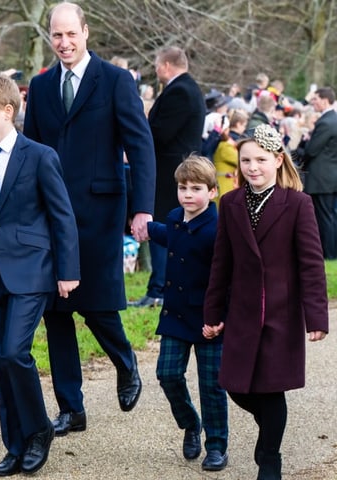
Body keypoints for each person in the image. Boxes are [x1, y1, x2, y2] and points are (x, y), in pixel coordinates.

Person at [23, 2, 154, 436]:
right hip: (50, 214)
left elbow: (140, 146)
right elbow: (32, 151)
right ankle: (71, 408)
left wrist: (142, 207)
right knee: (56, 313)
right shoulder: (40, 88)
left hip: (99, 211)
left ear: (85, 32)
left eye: (70, 34)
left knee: (97, 304)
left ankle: (125, 361)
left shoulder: (116, 81)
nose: (63, 43)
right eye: (56, 36)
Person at [0, 72, 80, 476]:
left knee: (13, 352)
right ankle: (15, 444)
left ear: (7, 111)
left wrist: (67, 270)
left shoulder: (40, 156)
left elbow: (62, 217)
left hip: (33, 270)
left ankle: (39, 429)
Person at [203, 124, 329, 480]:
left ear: (277, 160)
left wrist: (316, 316)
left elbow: (310, 262)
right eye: (246, 161)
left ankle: (269, 457)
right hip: (242, 310)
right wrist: (212, 312)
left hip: (281, 313)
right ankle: (269, 433)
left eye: (260, 160)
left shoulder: (297, 204)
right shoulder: (229, 203)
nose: (253, 167)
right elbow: (221, 261)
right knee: (233, 384)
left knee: (272, 389)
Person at [149, 156, 228, 472]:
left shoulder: (219, 228)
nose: (188, 195)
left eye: (196, 188)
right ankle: (190, 423)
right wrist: (143, 225)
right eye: (183, 188)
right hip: (176, 314)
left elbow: (228, 276)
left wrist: (220, 318)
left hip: (210, 318)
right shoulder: (174, 218)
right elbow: (171, 236)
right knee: (167, 374)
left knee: (212, 384)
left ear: (212, 191)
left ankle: (217, 446)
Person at [130, 45, 205, 309]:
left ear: (166, 65)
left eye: (156, 64)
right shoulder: (185, 89)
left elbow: (161, 133)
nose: (155, 69)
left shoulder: (181, 91)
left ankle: (159, 289)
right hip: (174, 170)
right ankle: (161, 287)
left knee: (164, 228)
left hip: (171, 172)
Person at [301, 86, 337, 259]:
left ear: (324, 100)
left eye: (315, 99)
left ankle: (329, 255)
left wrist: (302, 147)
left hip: (321, 179)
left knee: (324, 219)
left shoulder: (326, 121)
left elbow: (312, 150)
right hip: (328, 177)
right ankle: (330, 253)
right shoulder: (333, 120)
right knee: (329, 217)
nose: (313, 102)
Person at [213, 109, 249, 203]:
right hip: (223, 184)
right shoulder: (225, 145)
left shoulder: (227, 144)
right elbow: (241, 159)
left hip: (227, 183)